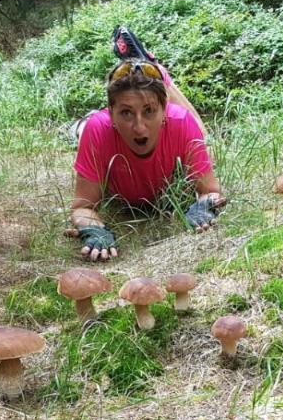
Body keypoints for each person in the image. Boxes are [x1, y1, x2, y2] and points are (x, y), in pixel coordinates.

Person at [66, 26, 225, 261]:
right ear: (111, 112)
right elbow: (83, 206)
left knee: (202, 133)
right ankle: (78, 123)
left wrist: (204, 206)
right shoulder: (99, 129)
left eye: (149, 111)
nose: (139, 127)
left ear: (165, 110)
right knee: (80, 129)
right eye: (126, 113)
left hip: (175, 120)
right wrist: (93, 228)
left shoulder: (180, 121)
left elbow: (211, 192)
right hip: (91, 127)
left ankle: (160, 76)